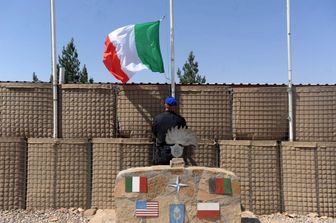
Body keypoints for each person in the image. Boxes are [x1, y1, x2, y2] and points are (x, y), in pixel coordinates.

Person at [152, 96, 187, 165]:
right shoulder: (180, 120)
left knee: (161, 172)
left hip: (161, 151)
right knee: (176, 173)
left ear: (165, 105)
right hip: (176, 151)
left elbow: (154, 132)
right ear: (175, 106)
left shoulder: (158, 118)